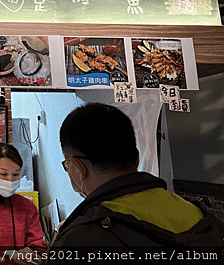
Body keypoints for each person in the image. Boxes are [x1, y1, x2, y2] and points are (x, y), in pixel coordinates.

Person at [51, 102, 224, 258]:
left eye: (67, 165)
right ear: (136, 158)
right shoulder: (196, 212)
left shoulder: (78, 241)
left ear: (77, 167)